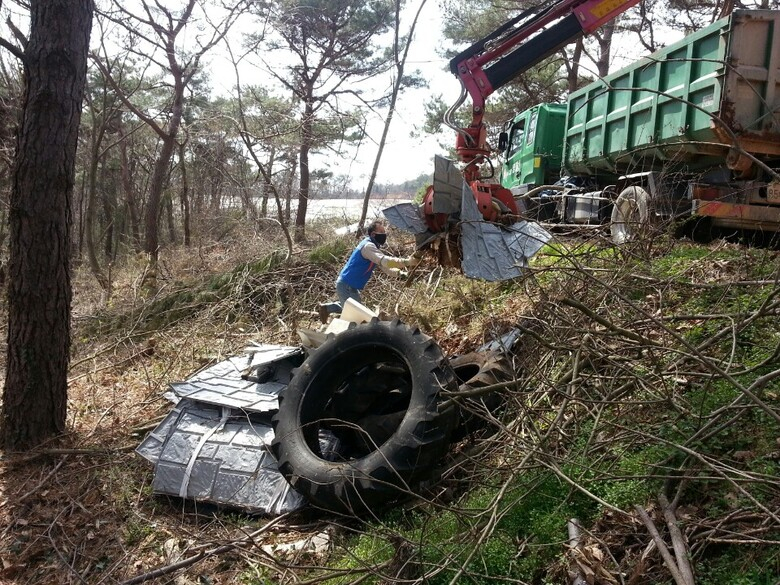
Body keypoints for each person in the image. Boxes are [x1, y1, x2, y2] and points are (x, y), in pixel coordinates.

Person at [318, 220, 419, 323]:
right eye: (382, 232)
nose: (384, 235)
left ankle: (327, 308)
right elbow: (386, 262)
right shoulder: (368, 247)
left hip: (348, 285)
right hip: (347, 285)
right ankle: (330, 315)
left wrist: (399, 274)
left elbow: (385, 267)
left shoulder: (372, 247)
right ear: (373, 234)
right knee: (358, 317)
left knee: (354, 308)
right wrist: (407, 262)